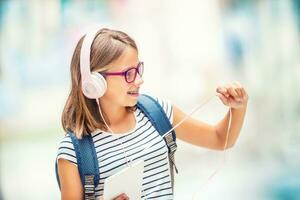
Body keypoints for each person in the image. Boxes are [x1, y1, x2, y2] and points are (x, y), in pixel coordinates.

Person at [56, 28, 248, 200]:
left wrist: (237, 107)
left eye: (138, 69)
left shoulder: (157, 113)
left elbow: (221, 139)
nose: (139, 80)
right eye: (128, 73)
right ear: (95, 83)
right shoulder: (73, 152)